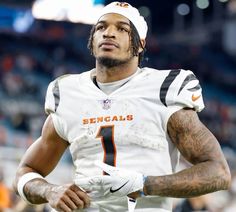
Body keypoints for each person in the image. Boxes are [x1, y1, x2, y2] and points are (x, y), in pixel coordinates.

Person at [13, 1, 231, 212]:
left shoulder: (164, 90)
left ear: (140, 44)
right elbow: (25, 171)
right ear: (92, 39)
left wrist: (144, 184)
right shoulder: (68, 93)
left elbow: (218, 172)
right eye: (101, 27)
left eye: (122, 28)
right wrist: (50, 191)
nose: (109, 33)